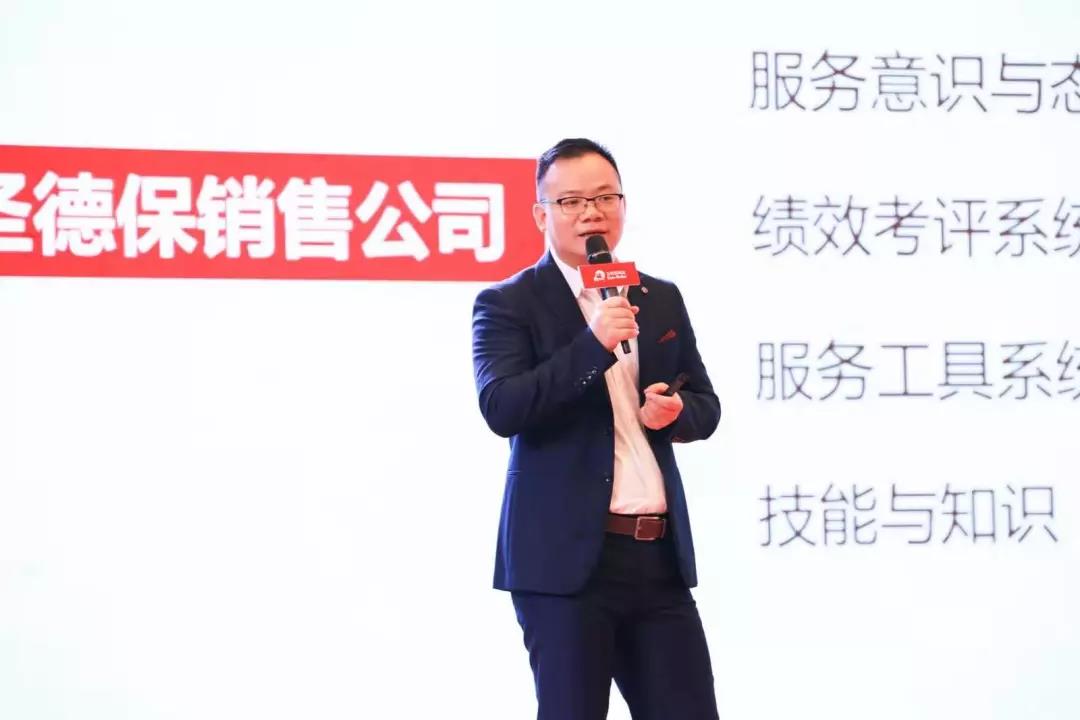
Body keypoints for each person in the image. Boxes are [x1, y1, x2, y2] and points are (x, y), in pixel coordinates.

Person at [471, 138, 721, 720]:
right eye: (572, 201)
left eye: (605, 197)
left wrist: (675, 413)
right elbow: (502, 407)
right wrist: (593, 344)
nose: (592, 212)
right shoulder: (508, 303)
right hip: (565, 566)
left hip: (657, 559)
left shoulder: (658, 298)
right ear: (541, 214)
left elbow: (705, 405)